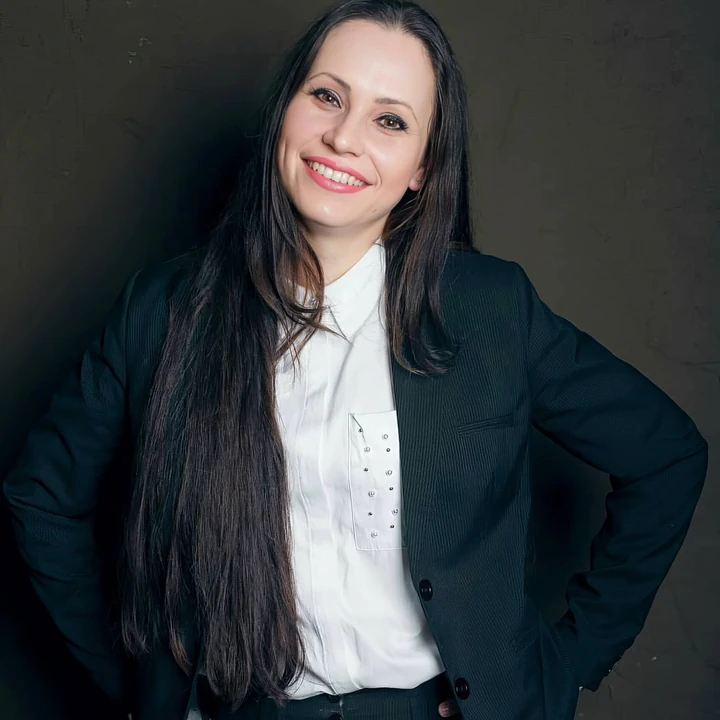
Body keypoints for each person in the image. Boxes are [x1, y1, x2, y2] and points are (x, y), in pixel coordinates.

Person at [2, 0, 708, 719]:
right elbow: (40, 496)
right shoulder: (161, 310)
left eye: (390, 120)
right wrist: (139, 685)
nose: (343, 138)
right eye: (327, 96)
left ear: (422, 168)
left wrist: (571, 662)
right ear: (286, 109)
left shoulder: (491, 308)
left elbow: (667, 455)